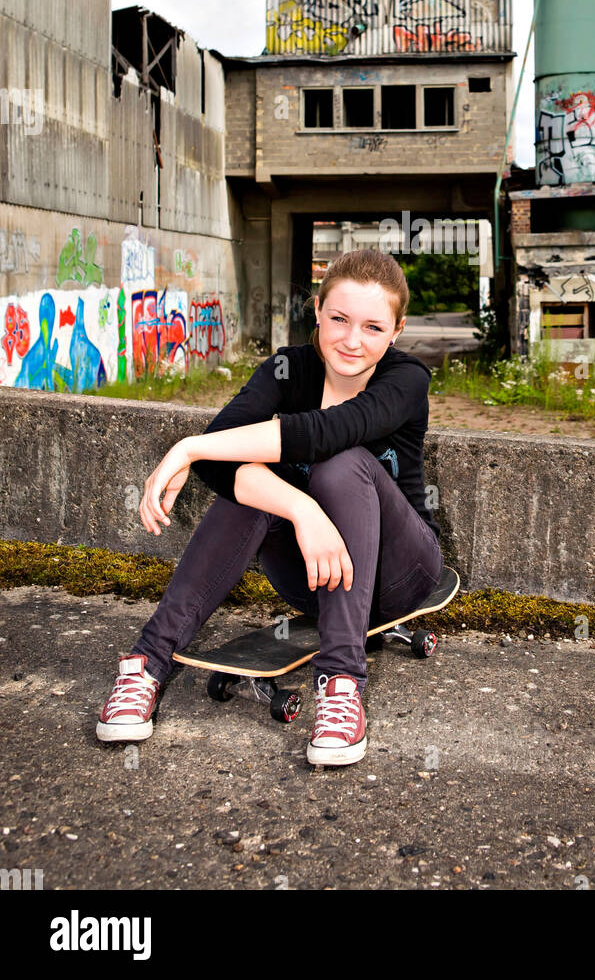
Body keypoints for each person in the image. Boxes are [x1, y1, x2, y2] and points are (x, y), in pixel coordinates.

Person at [96, 248, 443, 767]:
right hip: (316, 580)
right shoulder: (286, 369)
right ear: (318, 311)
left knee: (340, 461)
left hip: (400, 575)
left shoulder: (407, 379)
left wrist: (189, 447)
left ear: (396, 330)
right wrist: (303, 510)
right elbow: (226, 457)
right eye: (339, 319)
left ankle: (342, 684)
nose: (352, 340)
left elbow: (328, 432)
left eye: (373, 327)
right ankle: (147, 663)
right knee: (250, 480)